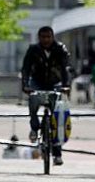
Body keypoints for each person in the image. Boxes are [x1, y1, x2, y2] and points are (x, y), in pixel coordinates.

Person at [21, 26, 71, 166]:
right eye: (43, 37)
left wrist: (66, 85)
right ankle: (34, 128)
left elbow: (66, 68)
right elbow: (25, 68)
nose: (46, 40)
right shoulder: (33, 50)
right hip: (37, 82)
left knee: (58, 118)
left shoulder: (60, 49)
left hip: (56, 82)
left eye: (48, 37)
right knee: (33, 100)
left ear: (53, 37)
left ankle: (57, 154)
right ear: (39, 38)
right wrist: (25, 85)